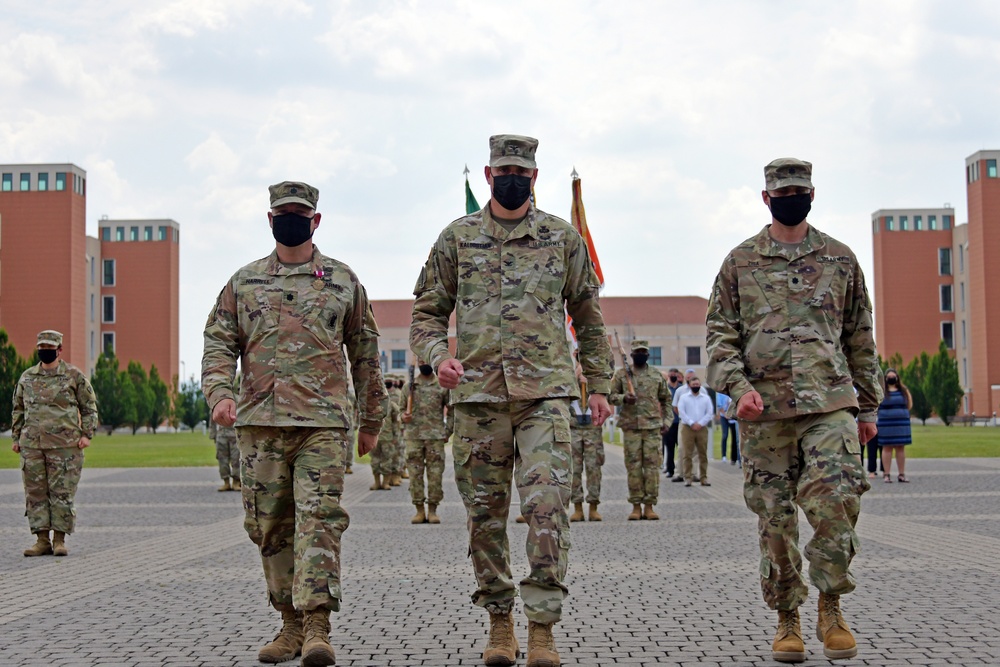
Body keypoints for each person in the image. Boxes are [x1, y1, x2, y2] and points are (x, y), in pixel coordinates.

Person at [410, 134, 613, 667]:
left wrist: (601, 385)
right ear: (487, 173)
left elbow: (589, 318)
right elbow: (427, 313)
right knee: (485, 517)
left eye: (521, 171)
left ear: (535, 176)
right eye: (503, 170)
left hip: (544, 396)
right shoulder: (456, 239)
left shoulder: (561, 239)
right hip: (477, 398)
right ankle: (500, 623)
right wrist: (437, 355)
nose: (512, 178)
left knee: (547, 508)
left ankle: (542, 626)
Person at [202, 180, 387, 667]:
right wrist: (220, 393)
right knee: (269, 526)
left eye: (299, 213)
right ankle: (288, 623)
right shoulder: (243, 283)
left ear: (315, 221)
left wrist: (372, 420)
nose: (291, 219)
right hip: (259, 425)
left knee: (319, 521)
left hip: (322, 425)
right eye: (282, 212)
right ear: (269, 219)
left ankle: (317, 626)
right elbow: (218, 342)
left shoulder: (343, 281)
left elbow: (366, 353)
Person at [706, 158, 882, 663]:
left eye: (799, 189)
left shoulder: (841, 259)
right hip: (765, 413)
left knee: (836, 499)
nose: (791, 196)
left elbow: (860, 337)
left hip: (829, 402)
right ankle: (788, 617)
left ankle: (831, 606)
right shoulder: (739, 262)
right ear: (766, 198)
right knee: (775, 518)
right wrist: (738, 388)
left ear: (812, 193)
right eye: (782, 191)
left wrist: (867, 407)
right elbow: (720, 336)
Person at [11, 330, 98, 558]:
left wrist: (86, 434)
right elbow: (18, 408)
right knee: (35, 493)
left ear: (59, 350)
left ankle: (59, 540)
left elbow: (88, 406)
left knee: (62, 493)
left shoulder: (73, 376)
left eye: (50, 349)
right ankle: (41, 541)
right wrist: (16, 438)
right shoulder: (27, 377)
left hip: (65, 447)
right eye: (42, 348)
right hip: (32, 446)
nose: (45, 352)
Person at [609, 339, 672, 520]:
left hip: (652, 427)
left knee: (652, 468)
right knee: (633, 467)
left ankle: (650, 505)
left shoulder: (656, 375)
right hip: (631, 427)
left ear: (648, 355)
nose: (640, 354)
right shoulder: (622, 375)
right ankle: (636, 506)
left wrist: (667, 421)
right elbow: (610, 397)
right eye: (637, 352)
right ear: (631, 354)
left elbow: (666, 400)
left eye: (643, 352)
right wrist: (623, 398)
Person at [401, 360, 452, 524]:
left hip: (435, 437)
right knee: (415, 475)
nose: (424, 363)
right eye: (421, 360)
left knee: (435, 475)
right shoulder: (409, 386)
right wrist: (403, 417)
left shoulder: (442, 386)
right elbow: (398, 411)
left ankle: (432, 509)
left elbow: (452, 411)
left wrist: (447, 431)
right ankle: (419, 510)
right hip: (413, 437)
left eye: (426, 360)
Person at [568, 355, 605, 522]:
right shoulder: (569, 374)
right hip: (574, 428)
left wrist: (591, 382)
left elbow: (607, 396)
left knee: (593, 468)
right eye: (578, 358)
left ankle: (593, 506)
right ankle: (577, 507)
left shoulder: (597, 375)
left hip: (592, 428)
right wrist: (575, 377)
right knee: (574, 470)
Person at [676, 376, 714, 487]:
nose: (696, 387)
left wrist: (700, 423)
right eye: (693, 385)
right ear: (689, 385)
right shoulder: (684, 398)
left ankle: (703, 477)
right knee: (687, 454)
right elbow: (681, 412)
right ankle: (688, 477)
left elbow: (709, 412)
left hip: (702, 428)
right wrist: (692, 423)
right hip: (687, 427)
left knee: (702, 454)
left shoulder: (705, 398)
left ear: (700, 385)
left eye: (697, 385)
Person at [877, 369, 913, 483]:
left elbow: (909, 404)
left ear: (897, 377)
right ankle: (886, 474)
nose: (891, 378)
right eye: (889, 376)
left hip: (901, 423)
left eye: (893, 376)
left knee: (900, 447)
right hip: (885, 424)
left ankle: (901, 474)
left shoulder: (903, 390)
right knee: (886, 448)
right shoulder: (881, 391)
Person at [368, 378, 396, 491]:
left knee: (387, 460)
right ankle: (377, 482)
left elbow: (396, 421)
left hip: (387, 436)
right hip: (373, 436)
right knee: (374, 461)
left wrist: (396, 436)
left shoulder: (390, 404)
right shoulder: (368, 404)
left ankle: (385, 482)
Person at [669, 369, 697, 482]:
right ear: (685, 378)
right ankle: (679, 473)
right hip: (684, 423)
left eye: (692, 377)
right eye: (688, 377)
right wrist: (685, 417)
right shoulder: (680, 391)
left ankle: (694, 473)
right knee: (681, 448)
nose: (690, 379)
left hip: (697, 423)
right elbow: (675, 407)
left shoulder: (702, 390)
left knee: (695, 450)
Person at [209, 418, 241, 492]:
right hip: (221, 434)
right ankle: (226, 482)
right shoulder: (218, 405)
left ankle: (236, 482)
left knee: (236, 459)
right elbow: (212, 418)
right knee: (222, 460)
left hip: (235, 434)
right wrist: (213, 435)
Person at [662, 368, 683, 477]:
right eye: (671, 374)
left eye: (675, 374)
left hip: (679, 422)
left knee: (681, 448)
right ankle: (670, 469)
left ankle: (682, 470)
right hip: (668, 422)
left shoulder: (682, 389)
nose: (673, 376)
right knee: (669, 448)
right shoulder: (665, 388)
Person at [717, 391, 740, 466]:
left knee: (735, 437)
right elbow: (719, 406)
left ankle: (734, 458)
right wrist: (726, 414)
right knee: (725, 435)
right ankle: (723, 456)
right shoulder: (720, 392)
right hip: (724, 416)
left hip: (733, 417)